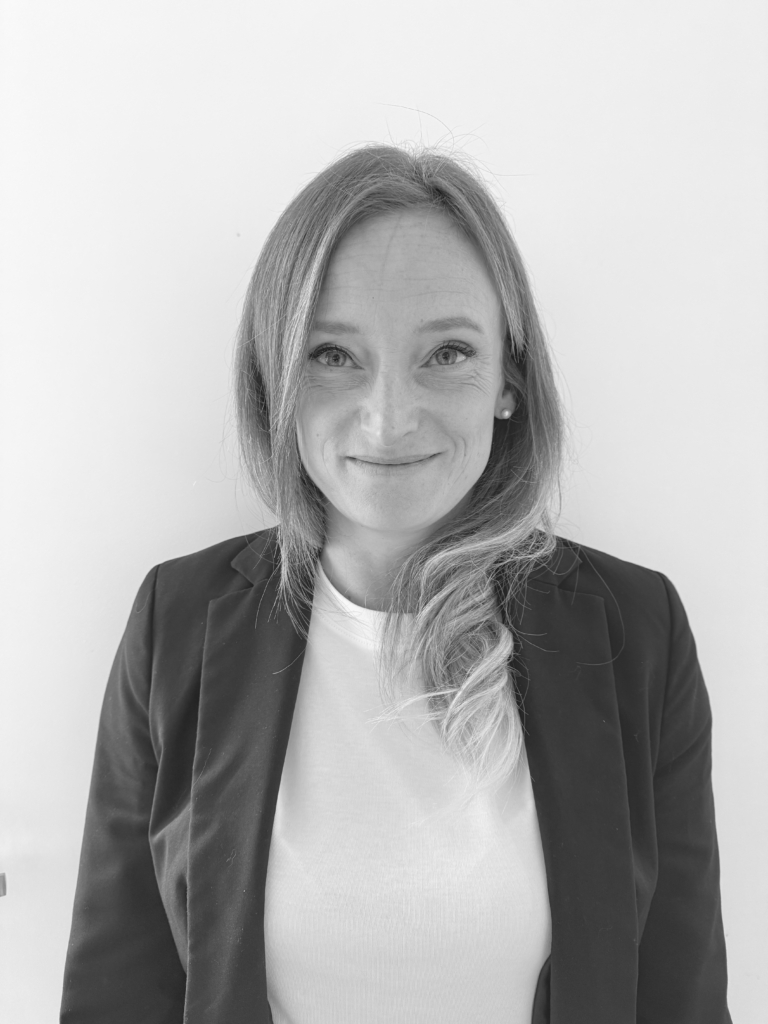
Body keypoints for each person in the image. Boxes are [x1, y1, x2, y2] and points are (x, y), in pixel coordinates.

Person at [60, 144, 732, 1024]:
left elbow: (681, 1000)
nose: (388, 418)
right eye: (332, 354)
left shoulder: (636, 632)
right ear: (275, 380)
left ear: (509, 380)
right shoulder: (175, 623)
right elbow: (114, 998)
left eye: (446, 352)